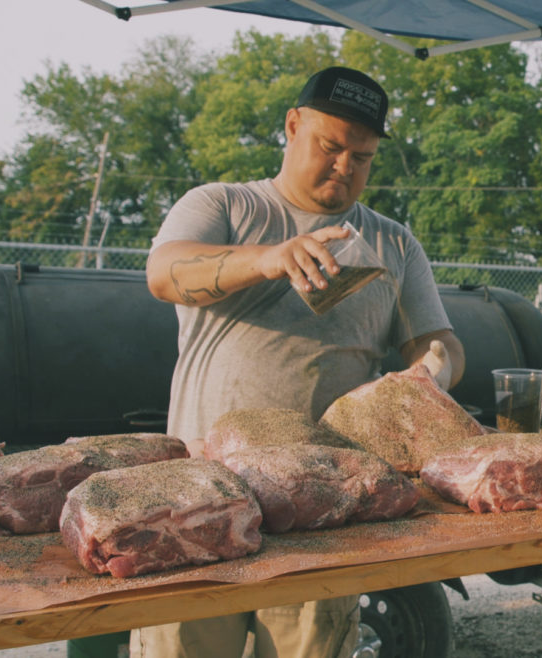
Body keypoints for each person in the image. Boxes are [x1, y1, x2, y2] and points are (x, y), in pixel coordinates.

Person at [137, 66, 465, 658]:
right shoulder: (225, 205)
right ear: (292, 126)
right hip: (200, 499)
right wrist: (267, 259)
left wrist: (430, 371)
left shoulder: (394, 243)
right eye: (330, 146)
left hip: (322, 508)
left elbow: (438, 341)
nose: (344, 166)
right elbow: (163, 274)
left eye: (361, 157)